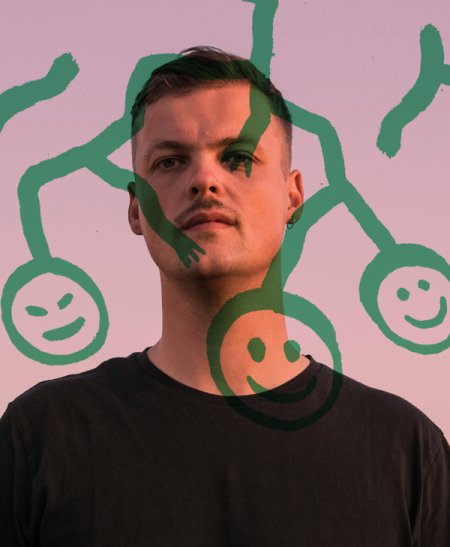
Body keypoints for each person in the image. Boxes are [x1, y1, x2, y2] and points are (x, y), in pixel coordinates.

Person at [1, 47, 449, 546]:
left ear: (293, 195)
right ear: (135, 209)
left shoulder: (408, 452)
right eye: (170, 161)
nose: (204, 180)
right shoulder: (39, 437)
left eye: (238, 158)